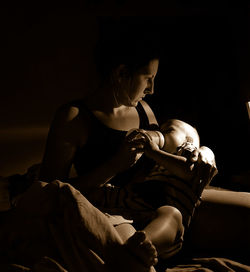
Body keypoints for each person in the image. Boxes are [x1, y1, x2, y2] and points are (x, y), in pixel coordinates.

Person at [39, 19, 250, 269]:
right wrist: (114, 166)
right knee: (135, 256)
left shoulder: (142, 109)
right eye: (147, 78)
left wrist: (203, 152)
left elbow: (173, 143)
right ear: (120, 74)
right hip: (114, 209)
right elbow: (49, 193)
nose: (151, 88)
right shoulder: (74, 117)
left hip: (162, 198)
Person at [126, 118, 217, 230]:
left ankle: (145, 240)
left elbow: (188, 169)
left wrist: (154, 152)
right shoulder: (161, 163)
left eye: (168, 130)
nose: (161, 133)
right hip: (143, 206)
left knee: (169, 216)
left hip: (171, 212)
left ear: (188, 138)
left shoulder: (189, 150)